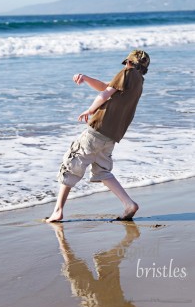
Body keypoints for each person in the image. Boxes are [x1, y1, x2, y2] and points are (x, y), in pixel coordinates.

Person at [46, 50, 150, 223]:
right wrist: (86, 78)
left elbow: (104, 94)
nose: (126, 65)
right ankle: (128, 204)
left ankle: (58, 211)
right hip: (112, 136)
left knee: (70, 165)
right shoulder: (139, 81)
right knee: (103, 171)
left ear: (129, 63)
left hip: (98, 129)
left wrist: (90, 109)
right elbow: (105, 86)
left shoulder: (126, 73)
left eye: (127, 63)